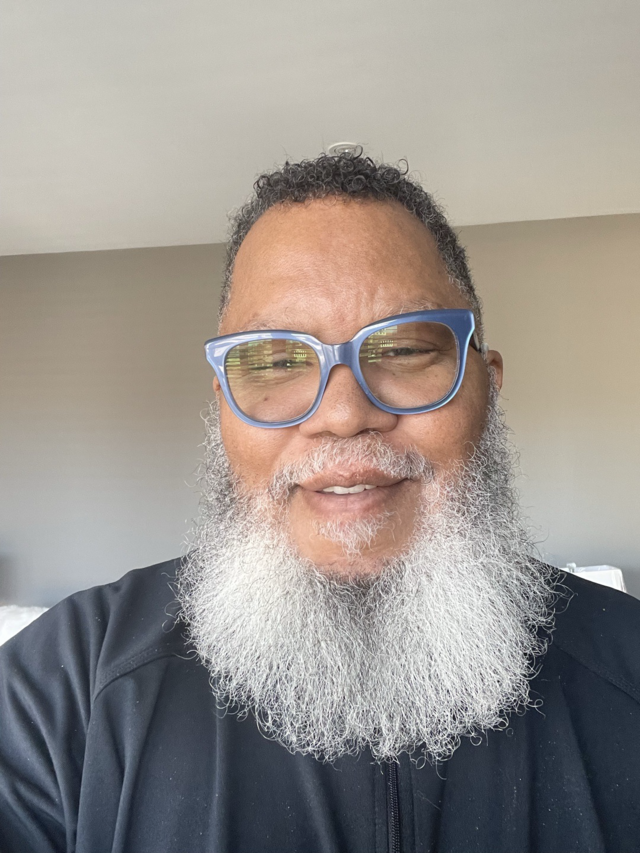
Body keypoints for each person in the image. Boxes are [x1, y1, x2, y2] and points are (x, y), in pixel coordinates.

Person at [1, 154, 639, 853]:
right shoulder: (64, 689)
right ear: (223, 407)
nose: (342, 413)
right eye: (275, 361)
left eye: (404, 348)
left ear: (486, 388)